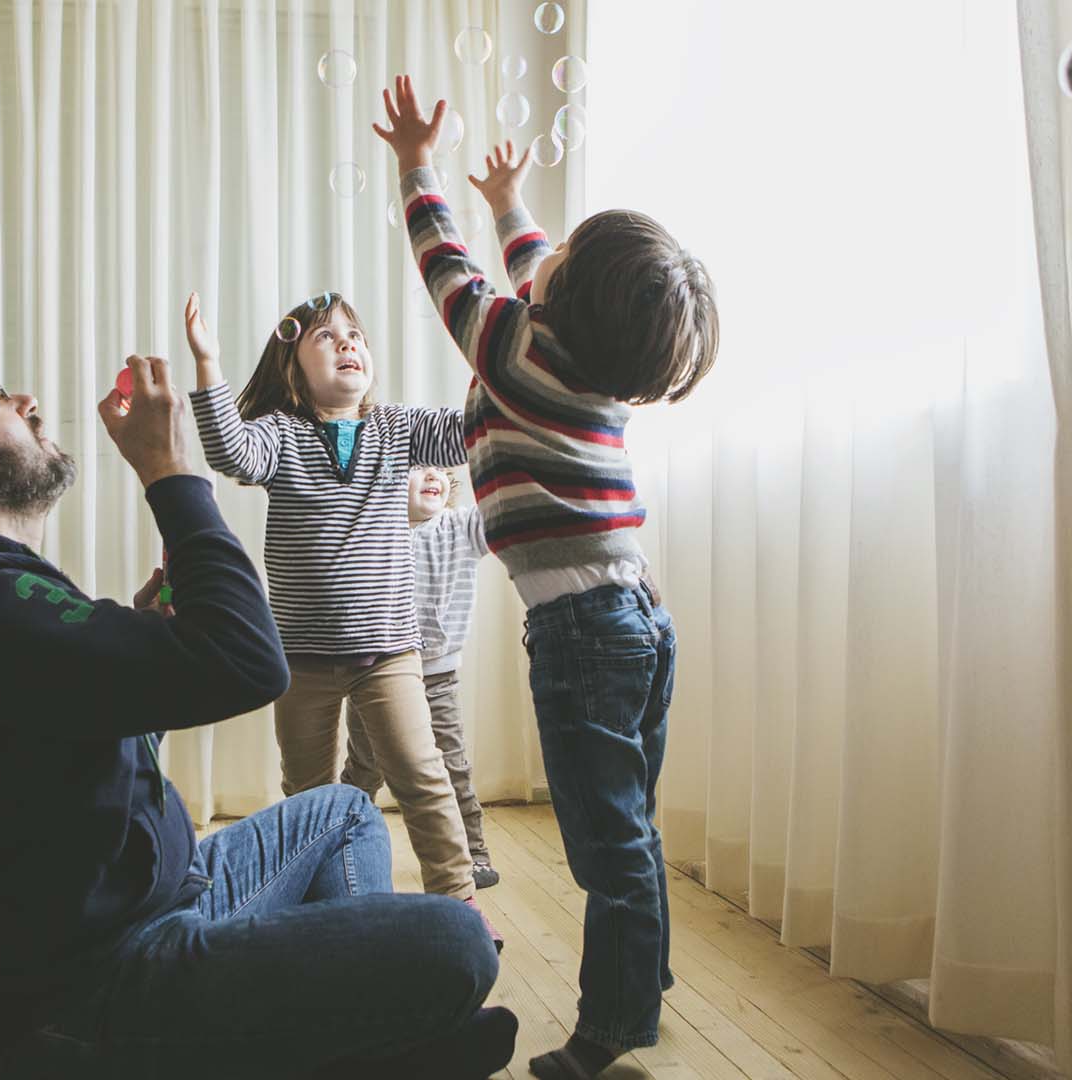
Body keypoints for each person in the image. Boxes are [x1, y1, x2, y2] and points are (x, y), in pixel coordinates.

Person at [0, 332, 516, 1079]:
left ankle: (340, 1038)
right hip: (95, 994)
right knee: (456, 945)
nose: (27, 403)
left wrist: (143, 640)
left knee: (341, 810)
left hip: (154, 908)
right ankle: (346, 1043)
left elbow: (59, 737)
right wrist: (169, 470)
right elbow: (252, 663)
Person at [373, 75, 720, 1080]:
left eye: (557, 260)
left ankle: (609, 1031)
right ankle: (639, 973)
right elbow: (535, 268)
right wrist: (511, 203)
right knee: (630, 828)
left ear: (563, 302)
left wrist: (417, 168)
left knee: (603, 847)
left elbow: (449, 275)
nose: (542, 259)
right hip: (637, 616)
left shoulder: (516, 352)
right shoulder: (583, 360)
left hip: (585, 632)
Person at [182, 290, 499, 942]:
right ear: (293, 368)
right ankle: (317, 911)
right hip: (300, 658)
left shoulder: (395, 428)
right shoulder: (282, 435)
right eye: (326, 337)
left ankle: (461, 905)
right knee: (308, 793)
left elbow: (471, 429)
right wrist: (208, 364)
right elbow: (230, 453)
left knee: (423, 776)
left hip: (389, 653)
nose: (348, 343)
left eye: (355, 334)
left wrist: (495, 356)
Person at [343, 466, 499, 889]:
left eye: (439, 470)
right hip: (376, 674)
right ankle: (336, 847)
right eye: (417, 468)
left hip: (438, 675)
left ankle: (474, 853)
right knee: (365, 765)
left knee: (452, 764)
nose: (432, 475)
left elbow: (500, 509)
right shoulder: (374, 529)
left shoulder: (461, 527)